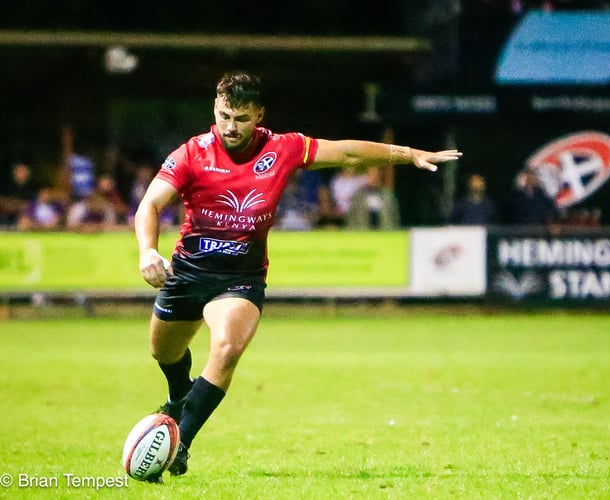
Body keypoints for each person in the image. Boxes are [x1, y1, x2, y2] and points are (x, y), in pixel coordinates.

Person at [133, 71, 462, 482]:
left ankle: (180, 442)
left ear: (259, 115)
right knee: (163, 352)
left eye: (241, 118)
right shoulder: (191, 153)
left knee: (228, 349)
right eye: (224, 116)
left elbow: (347, 153)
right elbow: (150, 205)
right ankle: (179, 396)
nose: (231, 127)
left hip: (240, 279)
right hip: (187, 272)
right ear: (214, 109)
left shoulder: (282, 147)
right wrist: (148, 250)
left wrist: (408, 153)